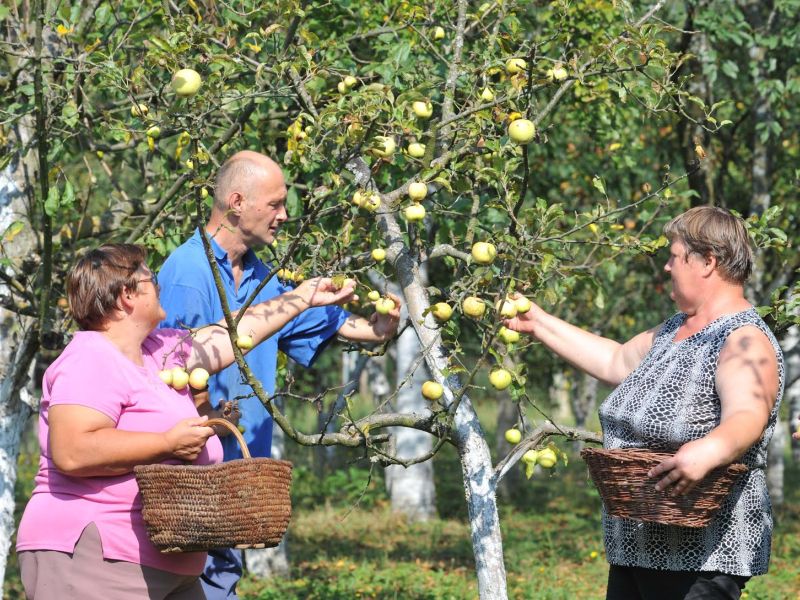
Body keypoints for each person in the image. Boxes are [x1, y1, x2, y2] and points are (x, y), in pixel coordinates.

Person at [15, 243, 358, 599]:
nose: (159, 283)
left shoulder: (158, 352)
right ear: (126, 296)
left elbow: (230, 334)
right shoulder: (90, 358)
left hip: (163, 561)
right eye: (150, 278)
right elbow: (73, 450)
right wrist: (167, 443)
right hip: (95, 555)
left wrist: (301, 298)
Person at [505, 206, 784, 600]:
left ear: (707, 262)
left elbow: (747, 415)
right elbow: (615, 359)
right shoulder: (676, 328)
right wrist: (538, 321)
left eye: (674, 256)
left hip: (700, 556)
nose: (667, 267)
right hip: (639, 543)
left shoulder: (742, 338)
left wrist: (709, 450)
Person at [157, 150, 402, 598]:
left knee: (221, 582)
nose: (284, 216)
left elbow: (306, 320)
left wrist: (375, 328)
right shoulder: (188, 274)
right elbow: (166, 375)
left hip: (239, 482)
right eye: (275, 204)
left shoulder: (260, 276)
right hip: (191, 491)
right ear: (236, 202)